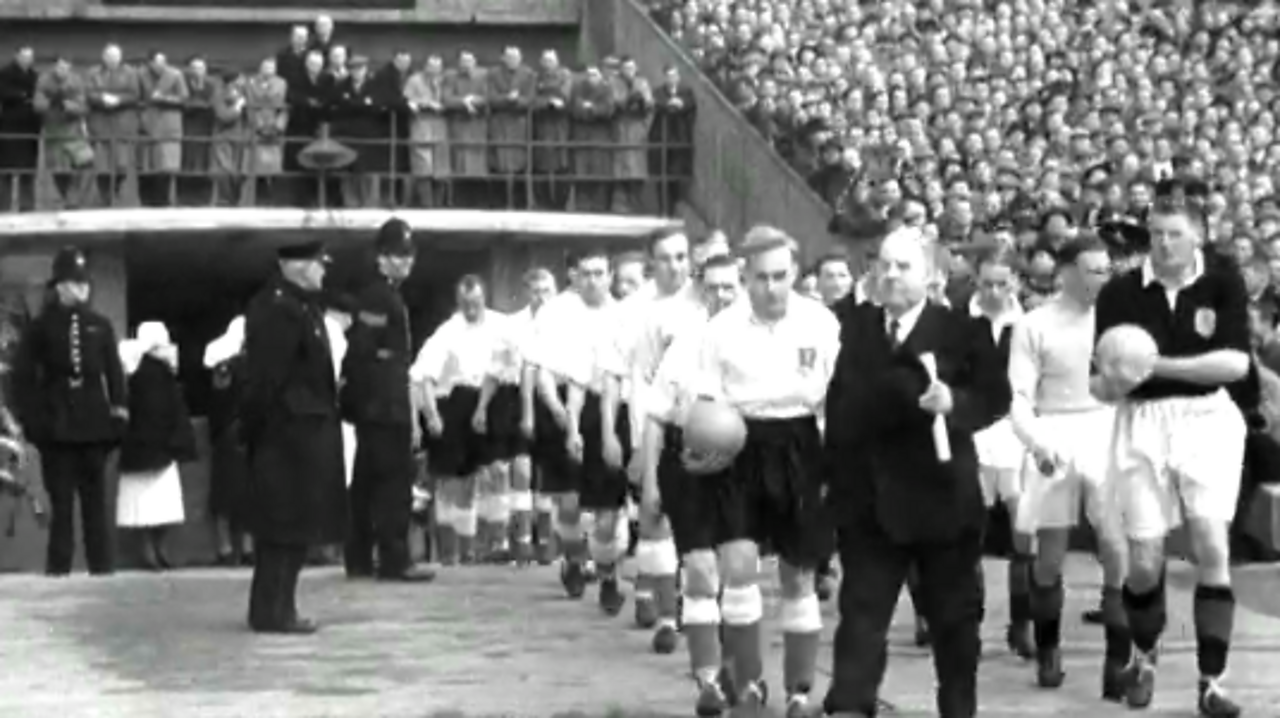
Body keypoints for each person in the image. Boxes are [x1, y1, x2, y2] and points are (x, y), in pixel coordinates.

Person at [823, 226, 1010, 718]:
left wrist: (956, 403)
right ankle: (849, 706)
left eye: (903, 266)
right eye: (884, 264)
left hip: (941, 502)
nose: (890, 274)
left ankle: (957, 709)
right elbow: (835, 405)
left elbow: (995, 397)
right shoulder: (848, 326)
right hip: (868, 503)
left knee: (953, 625)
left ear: (929, 276)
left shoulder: (960, 331)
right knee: (861, 618)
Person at [1091, 189, 1249, 718]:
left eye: (1173, 233)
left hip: (1207, 419)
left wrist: (1154, 365)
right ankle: (1143, 656)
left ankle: (1211, 682)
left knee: (1210, 542)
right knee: (1143, 560)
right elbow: (1104, 378)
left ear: (1198, 234)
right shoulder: (1119, 293)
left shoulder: (1222, 281)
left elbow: (1234, 365)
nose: (1162, 244)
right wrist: (1113, 382)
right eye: (1155, 234)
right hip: (1140, 423)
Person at [682, 226, 839, 717]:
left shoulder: (821, 322)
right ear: (745, 278)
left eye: (780, 276)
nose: (771, 288)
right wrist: (701, 446)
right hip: (741, 444)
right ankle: (748, 684)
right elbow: (706, 400)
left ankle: (798, 689)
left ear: (794, 273)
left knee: (798, 576)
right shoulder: (721, 329)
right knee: (738, 568)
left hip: (801, 443)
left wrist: (838, 461)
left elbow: (837, 397)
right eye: (760, 278)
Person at [1007, 233, 1129, 695]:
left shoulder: (1122, 322)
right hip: (1054, 429)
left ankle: (1117, 659)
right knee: (1049, 555)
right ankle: (1049, 647)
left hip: (1107, 429)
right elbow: (1019, 397)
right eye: (1092, 268)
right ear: (1066, 272)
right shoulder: (1034, 325)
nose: (1101, 277)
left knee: (1116, 546)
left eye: (1106, 269)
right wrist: (1036, 441)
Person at [639, 251, 742, 713]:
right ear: (702, 290)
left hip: (744, 464)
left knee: (736, 573)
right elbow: (657, 417)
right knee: (700, 570)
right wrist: (650, 484)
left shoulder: (762, 343)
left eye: (729, 287)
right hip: (688, 461)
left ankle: (739, 665)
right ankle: (708, 681)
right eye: (713, 287)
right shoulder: (684, 345)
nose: (721, 295)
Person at [241, 239, 347, 634]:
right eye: (320, 264)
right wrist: (265, 430)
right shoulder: (277, 309)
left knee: (294, 529)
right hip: (284, 438)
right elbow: (268, 379)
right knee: (281, 529)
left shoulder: (299, 305)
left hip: (302, 436)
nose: (324, 271)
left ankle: (279, 606)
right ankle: (273, 611)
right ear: (298, 266)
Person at [11, 247, 127, 577]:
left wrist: (118, 414)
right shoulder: (41, 328)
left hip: (93, 425)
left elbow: (114, 373)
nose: (82, 289)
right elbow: (23, 377)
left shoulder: (100, 326)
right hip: (57, 426)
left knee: (95, 504)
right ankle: (59, 569)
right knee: (61, 504)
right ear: (60, 286)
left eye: (84, 283)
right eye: (75, 283)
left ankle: (101, 568)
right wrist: (32, 420)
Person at [529, 247, 632, 610]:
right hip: (566, 405)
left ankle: (608, 575)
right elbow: (544, 372)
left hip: (611, 409)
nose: (592, 280)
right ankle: (574, 557)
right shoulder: (556, 313)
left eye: (600, 273)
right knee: (570, 505)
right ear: (574, 276)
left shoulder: (623, 316)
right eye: (585, 273)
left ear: (610, 276)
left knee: (607, 512)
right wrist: (564, 421)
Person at [341, 217, 435, 582]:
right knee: (392, 484)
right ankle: (395, 559)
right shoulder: (378, 296)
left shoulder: (387, 293)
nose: (405, 262)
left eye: (409, 256)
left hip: (378, 405)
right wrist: (390, 407)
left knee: (366, 482)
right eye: (397, 255)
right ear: (381, 257)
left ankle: (360, 557)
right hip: (382, 405)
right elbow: (368, 354)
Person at [411, 275, 507, 565]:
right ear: (458, 302)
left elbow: (506, 367)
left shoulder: (501, 325)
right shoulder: (448, 331)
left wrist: (485, 408)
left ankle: (494, 545)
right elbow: (422, 376)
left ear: (484, 298)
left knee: (496, 473)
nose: (471, 309)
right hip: (454, 403)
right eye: (465, 304)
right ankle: (455, 553)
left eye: (476, 303)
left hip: (493, 399)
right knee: (454, 481)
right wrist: (431, 415)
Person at [967, 246, 1033, 659]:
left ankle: (1022, 623)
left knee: (1023, 535)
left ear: (1016, 283)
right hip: (971, 435)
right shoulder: (957, 322)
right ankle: (967, 625)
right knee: (966, 536)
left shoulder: (1030, 326)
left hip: (1018, 433)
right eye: (987, 283)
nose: (994, 292)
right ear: (976, 282)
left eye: (1002, 284)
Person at [115, 321, 195, 571]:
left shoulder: (133, 368)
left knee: (145, 507)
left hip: (141, 446)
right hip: (158, 445)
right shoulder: (156, 370)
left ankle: (151, 551)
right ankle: (153, 552)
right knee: (159, 506)